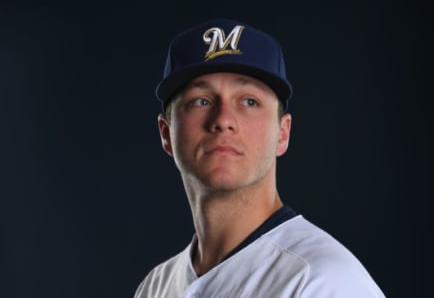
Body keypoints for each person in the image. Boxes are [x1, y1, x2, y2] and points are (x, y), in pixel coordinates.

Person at [134, 18, 385, 298]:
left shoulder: (323, 281)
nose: (224, 120)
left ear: (283, 133)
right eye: (201, 101)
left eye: (249, 101)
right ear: (166, 133)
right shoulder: (155, 287)